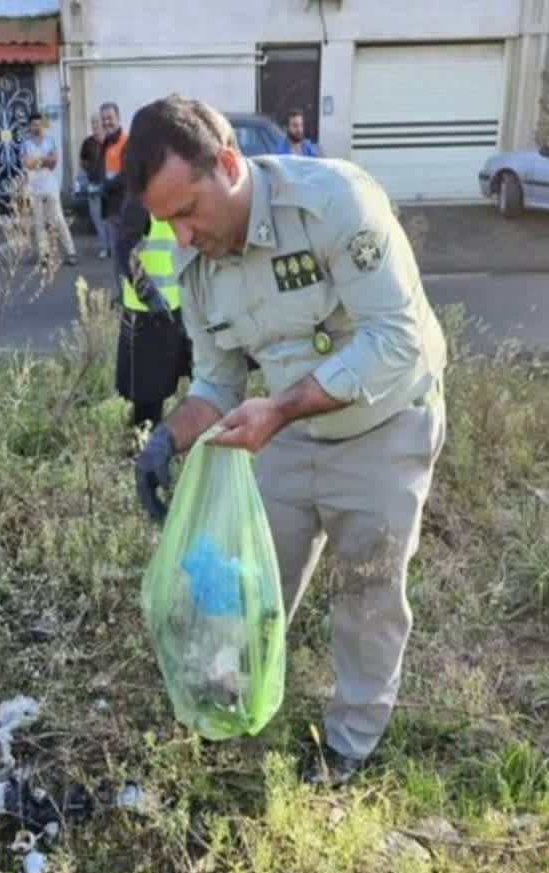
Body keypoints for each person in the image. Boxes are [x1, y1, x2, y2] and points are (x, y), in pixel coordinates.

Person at [128, 96, 446, 786]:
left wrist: (280, 409)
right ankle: (235, 699)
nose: (180, 236)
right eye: (167, 221)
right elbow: (217, 382)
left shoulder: (333, 202)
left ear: (230, 167)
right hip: (288, 427)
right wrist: (166, 441)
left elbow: (397, 339)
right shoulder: (196, 262)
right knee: (250, 582)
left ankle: (350, 746)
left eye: (187, 212)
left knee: (367, 589)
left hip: (384, 423)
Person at [114, 191, 191, 428]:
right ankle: (143, 453)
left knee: (208, 386)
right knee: (148, 401)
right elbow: (123, 249)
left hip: (183, 308)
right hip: (148, 316)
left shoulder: (183, 190)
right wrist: (148, 294)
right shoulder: (141, 198)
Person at [23, 112, 76, 267]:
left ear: (42, 125)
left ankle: (71, 251)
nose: (36, 127)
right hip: (34, 188)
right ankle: (44, 255)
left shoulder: (49, 140)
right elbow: (26, 164)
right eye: (33, 124)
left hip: (50, 187)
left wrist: (37, 161)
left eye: (39, 124)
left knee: (58, 219)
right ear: (29, 126)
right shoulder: (26, 144)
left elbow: (53, 162)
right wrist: (43, 160)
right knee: (38, 222)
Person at [99, 102, 128, 293]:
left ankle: (128, 298)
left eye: (110, 118)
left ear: (118, 118)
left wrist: (108, 185)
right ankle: (123, 296)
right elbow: (104, 171)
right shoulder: (106, 144)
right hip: (111, 209)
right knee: (117, 258)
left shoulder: (126, 142)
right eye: (104, 119)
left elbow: (128, 174)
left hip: (124, 209)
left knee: (125, 257)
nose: (106, 122)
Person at [79, 113, 110, 259]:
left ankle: (114, 246)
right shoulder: (88, 143)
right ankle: (105, 247)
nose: (95, 125)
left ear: (103, 124)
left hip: (110, 184)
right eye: (92, 123)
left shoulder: (110, 141)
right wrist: (90, 172)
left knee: (110, 217)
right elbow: (82, 161)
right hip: (93, 184)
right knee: (97, 216)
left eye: (97, 122)